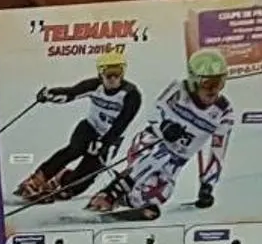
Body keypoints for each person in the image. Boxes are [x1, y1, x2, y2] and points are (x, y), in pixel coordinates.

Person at [88, 48, 233, 222]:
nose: (214, 91)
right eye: (208, 84)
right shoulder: (179, 90)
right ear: (194, 80)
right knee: (159, 154)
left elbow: (218, 151)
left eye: (220, 83)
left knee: (161, 194)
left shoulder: (224, 112)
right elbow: (155, 113)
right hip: (149, 142)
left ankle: (129, 200)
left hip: (176, 161)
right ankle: (110, 194)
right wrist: (164, 127)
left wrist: (207, 185)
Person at [15, 49, 140, 203]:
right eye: (108, 74)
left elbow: (122, 123)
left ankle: (63, 183)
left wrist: (104, 142)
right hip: (90, 128)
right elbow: (71, 93)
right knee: (75, 149)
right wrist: (49, 94)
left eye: (117, 73)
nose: (113, 78)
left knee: (89, 172)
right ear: (100, 74)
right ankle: (37, 180)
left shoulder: (132, 95)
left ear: (123, 73)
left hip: (111, 137)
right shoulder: (95, 85)